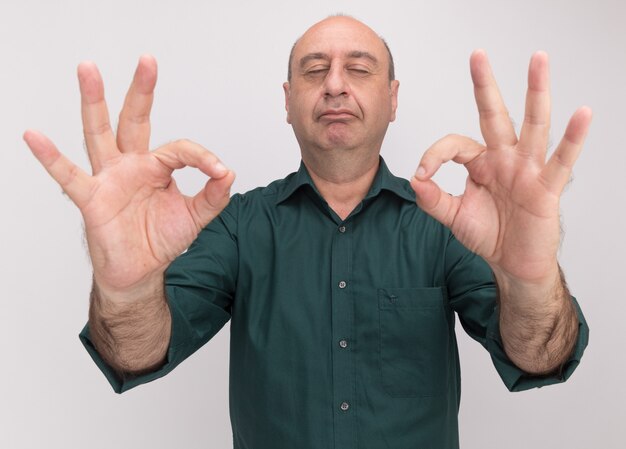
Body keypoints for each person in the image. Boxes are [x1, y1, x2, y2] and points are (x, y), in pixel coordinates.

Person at [24, 15, 590, 449]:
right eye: (314, 70)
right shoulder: (239, 224)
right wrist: (126, 290)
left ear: (393, 100)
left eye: (360, 69)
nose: (336, 85)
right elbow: (136, 351)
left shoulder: (443, 226)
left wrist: (533, 282)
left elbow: (539, 355)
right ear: (288, 101)